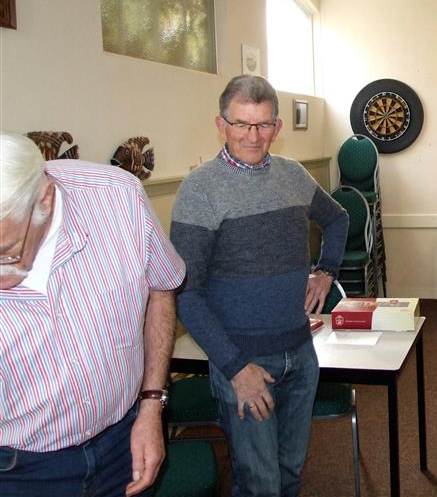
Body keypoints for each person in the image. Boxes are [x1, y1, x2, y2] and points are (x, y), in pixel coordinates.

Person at [170, 75, 348, 496]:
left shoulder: (293, 175)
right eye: (241, 124)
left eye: (263, 124)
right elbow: (186, 294)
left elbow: (337, 218)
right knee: (259, 484)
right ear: (221, 125)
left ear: (277, 127)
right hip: (243, 362)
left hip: (300, 354)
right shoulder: (200, 189)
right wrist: (235, 368)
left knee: (289, 474)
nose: (253, 136)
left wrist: (326, 271)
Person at [0, 133, 186, 496]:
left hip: (123, 443)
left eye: (6, 254)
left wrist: (152, 405)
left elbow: (160, 289)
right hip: (17, 469)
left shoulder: (118, 198)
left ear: (45, 200)